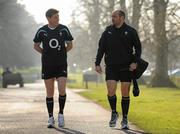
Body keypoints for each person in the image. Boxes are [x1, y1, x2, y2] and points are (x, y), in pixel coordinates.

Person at [95, 10, 141, 129]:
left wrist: (135, 62)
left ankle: (125, 118)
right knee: (111, 90)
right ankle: (114, 112)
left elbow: (138, 48)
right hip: (111, 67)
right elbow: (101, 49)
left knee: (125, 92)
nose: (112, 18)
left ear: (122, 17)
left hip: (126, 67)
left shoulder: (131, 31)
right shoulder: (107, 32)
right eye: (112, 16)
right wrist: (97, 63)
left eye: (114, 17)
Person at [33, 8, 73, 128]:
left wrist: (61, 54)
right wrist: (45, 54)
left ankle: (61, 114)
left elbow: (70, 45)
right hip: (47, 65)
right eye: (55, 17)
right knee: (50, 92)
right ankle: (50, 118)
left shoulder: (63, 29)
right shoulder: (42, 31)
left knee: (62, 90)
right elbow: (36, 46)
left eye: (58, 17)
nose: (58, 19)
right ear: (49, 18)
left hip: (61, 65)